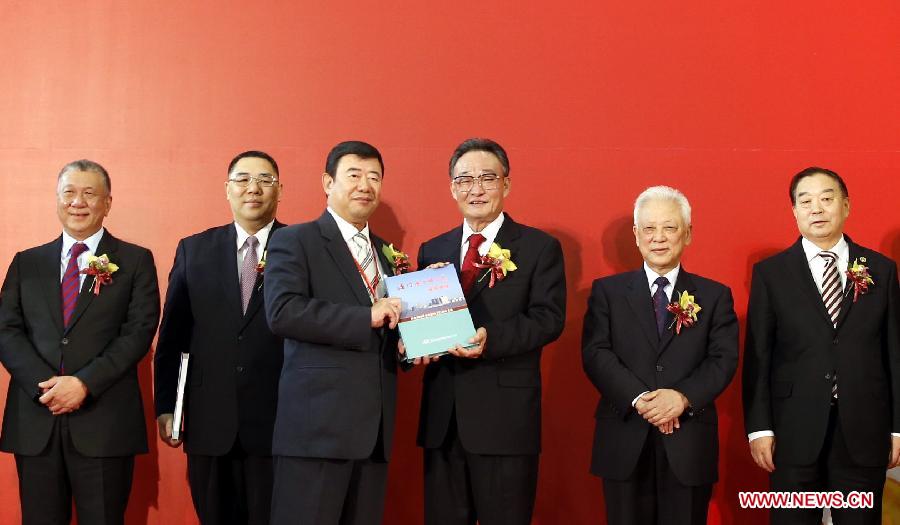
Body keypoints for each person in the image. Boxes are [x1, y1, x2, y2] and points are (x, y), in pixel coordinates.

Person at [414, 138, 566, 525]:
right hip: (443, 421)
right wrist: (411, 341)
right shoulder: (433, 249)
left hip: (505, 422)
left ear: (506, 185)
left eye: (487, 178)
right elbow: (423, 325)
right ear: (452, 187)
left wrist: (490, 339)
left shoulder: (538, 247)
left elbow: (549, 318)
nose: (475, 189)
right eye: (464, 179)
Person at [0, 159, 160, 524]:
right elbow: (6, 330)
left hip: (104, 422)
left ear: (108, 203)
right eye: (69, 192)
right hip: (36, 419)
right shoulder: (27, 262)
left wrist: (84, 383)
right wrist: (46, 387)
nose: (78, 202)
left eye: (90, 193)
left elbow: (138, 332)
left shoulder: (135, 261)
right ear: (57, 199)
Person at [743, 167, 900, 524]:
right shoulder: (771, 274)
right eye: (806, 201)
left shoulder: (881, 269)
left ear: (845, 206)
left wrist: (897, 428)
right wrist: (760, 428)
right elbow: (759, 357)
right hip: (792, 432)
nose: (817, 208)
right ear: (794, 211)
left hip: (864, 429)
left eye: (827, 199)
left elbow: (895, 354)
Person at [581, 185, 738, 525]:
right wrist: (640, 398)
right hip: (624, 436)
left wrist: (682, 397)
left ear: (688, 233)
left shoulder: (714, 296)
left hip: (688, 438)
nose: (659, 237)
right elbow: (596, 353)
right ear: (637, 235)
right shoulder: (607, 293)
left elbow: (722, 360)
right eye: (649, 229)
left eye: (669, 227)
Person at [263, 141, 400, 525]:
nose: (365, 185)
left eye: (374, 177)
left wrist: (412, 339)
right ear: (327, 182)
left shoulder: (388, 252)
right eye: (354, 175)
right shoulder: (295, 241)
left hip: (374, 434)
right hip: (316, 433)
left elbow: (389, 327)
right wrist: (365, 317)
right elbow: (282, 312)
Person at [154, 151, 285, 524]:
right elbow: (173, 336)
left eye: (265, 180)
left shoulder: (300, 247)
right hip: (208, 420)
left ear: (280, 191)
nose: (253, 189)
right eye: (242, 180)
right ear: (227, 189)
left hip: (279, 419)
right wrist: (167, 406)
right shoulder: (194, 249)